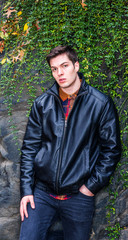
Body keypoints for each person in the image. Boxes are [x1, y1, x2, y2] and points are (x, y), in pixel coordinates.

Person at [19, 45, 121, 240]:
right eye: (54, 69)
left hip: (79, 196)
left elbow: (112, 150)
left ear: (76, 65)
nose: (60, 73)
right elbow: (29, 149)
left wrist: (90, 187)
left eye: (64, 66)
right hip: (41, 194)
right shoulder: (42, 104)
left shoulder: (100, 103)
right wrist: (26, 190)